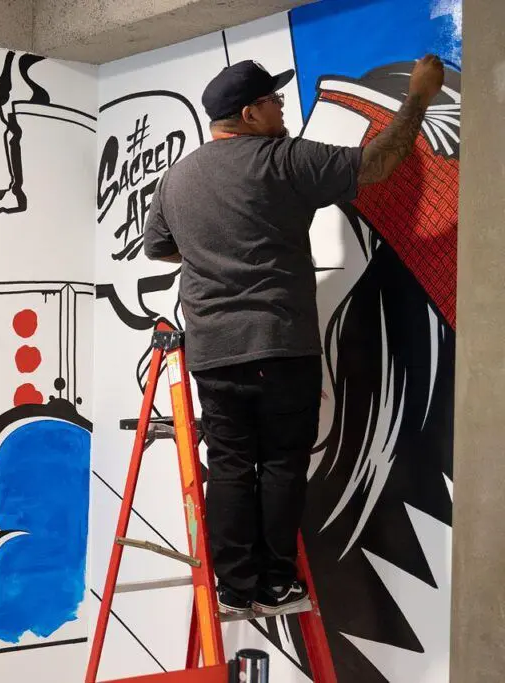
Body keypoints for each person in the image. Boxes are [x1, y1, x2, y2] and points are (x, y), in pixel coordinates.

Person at [142, 55, 445, 616]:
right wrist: (419, 98)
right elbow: (376, 164)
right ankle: (276, 581)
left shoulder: (178, 177)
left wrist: (216, 247)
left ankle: (235, 586)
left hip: (211, 352)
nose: (284, 107)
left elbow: (159, 247)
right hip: (279, 346)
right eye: (275, 100)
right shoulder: (281, 160)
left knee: (231, 464)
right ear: (251, 112)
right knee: (281, 462)